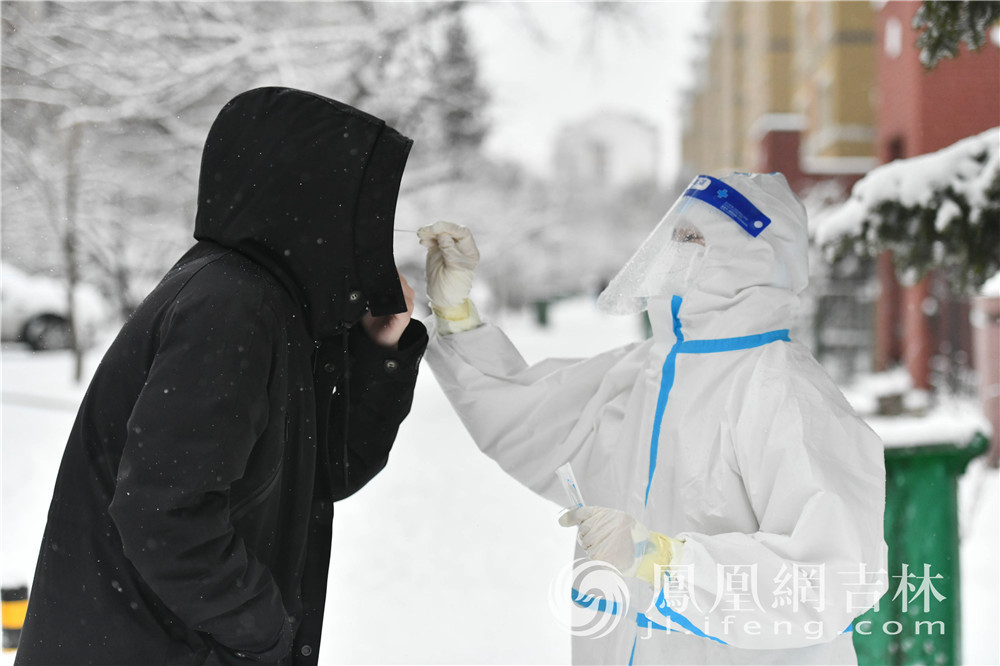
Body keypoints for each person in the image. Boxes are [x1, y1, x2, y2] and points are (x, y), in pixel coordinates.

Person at [16, 87, 428, 665]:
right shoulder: (232, 306)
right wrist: (263, 633)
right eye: (365, 208)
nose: (374, 231)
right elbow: (164, 516)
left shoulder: (272, 305)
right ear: (312, 200)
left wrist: (379, 350)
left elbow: (320, 474)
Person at [418, 173, 888, 665]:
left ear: (751, 257)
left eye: (694, 240)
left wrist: (663, 559)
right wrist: (455, 312)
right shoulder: (648, 371)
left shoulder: (786, 393)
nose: (674, 254)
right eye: (675, 236)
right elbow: (530, 423)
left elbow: (829, 581)